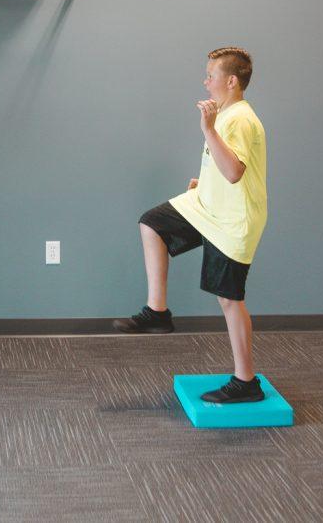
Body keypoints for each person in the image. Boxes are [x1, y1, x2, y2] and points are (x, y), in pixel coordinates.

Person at [114, 47, 269, 404]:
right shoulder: (227, 115)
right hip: (208, 206)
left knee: (229, 299)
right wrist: (204, 182)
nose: (205, 81)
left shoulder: (240, 119)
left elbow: (234, 172)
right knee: (153, 223)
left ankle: (246, 381)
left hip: (233, 219)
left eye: (211, 76)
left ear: (231, 81)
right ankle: (157, 312)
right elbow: (223, 167)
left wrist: (208, 129)